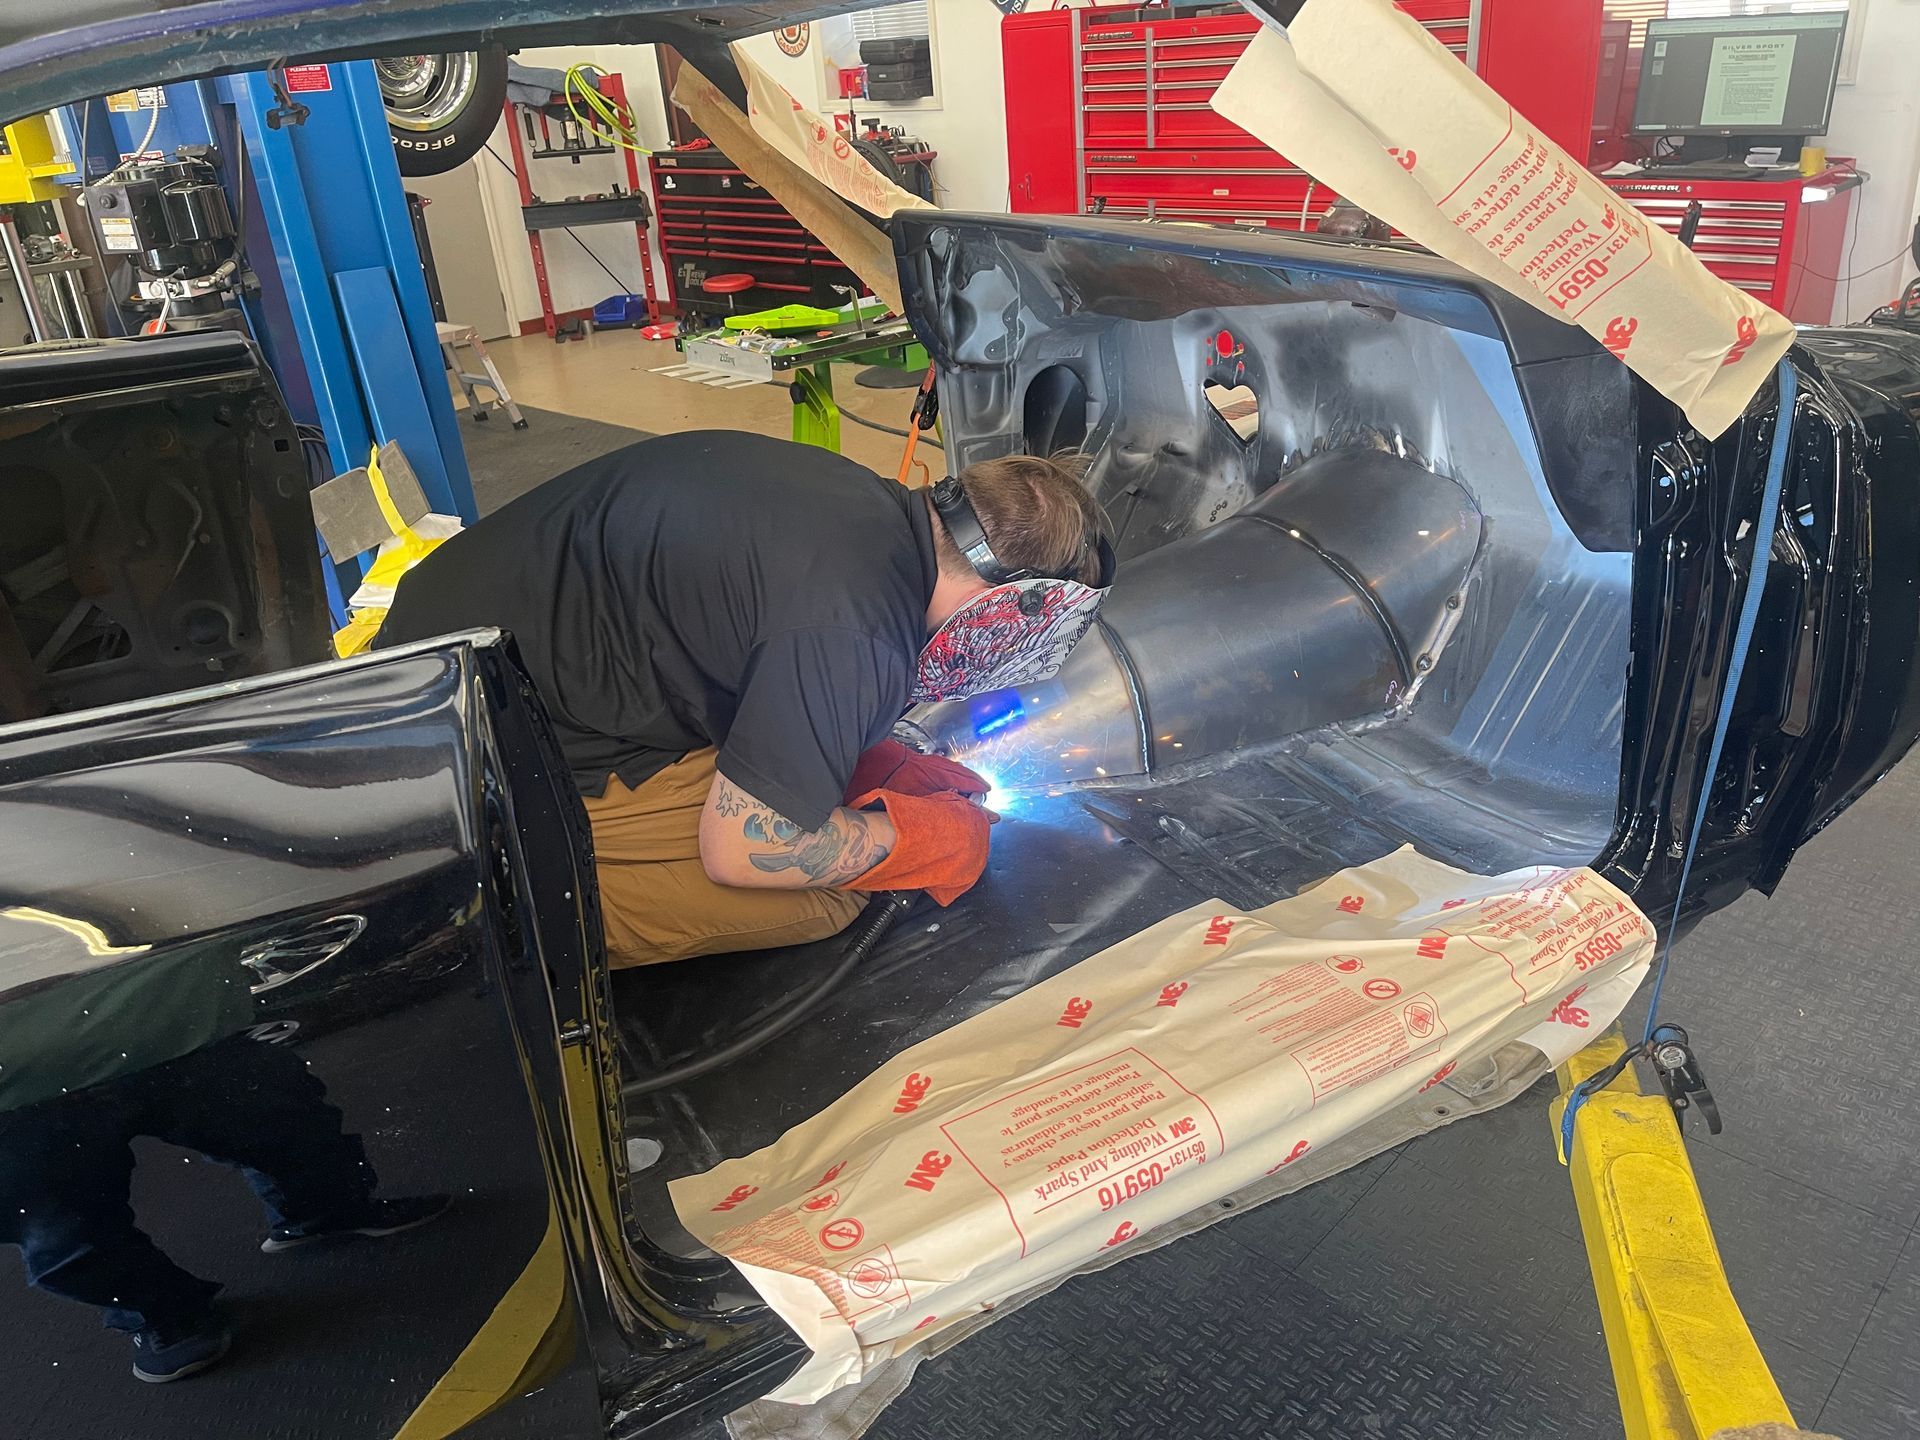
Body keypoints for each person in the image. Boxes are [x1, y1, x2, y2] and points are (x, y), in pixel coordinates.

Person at [376, 431, 1115, 967]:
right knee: (823, 895)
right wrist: (924, 841)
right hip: (453, 756)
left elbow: (773, 641)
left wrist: (859, 756)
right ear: (1010, 605)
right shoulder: (858, 633)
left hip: (437, 659)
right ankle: (471, 918)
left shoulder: (865, 503)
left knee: (824, 793)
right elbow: (746, 850)